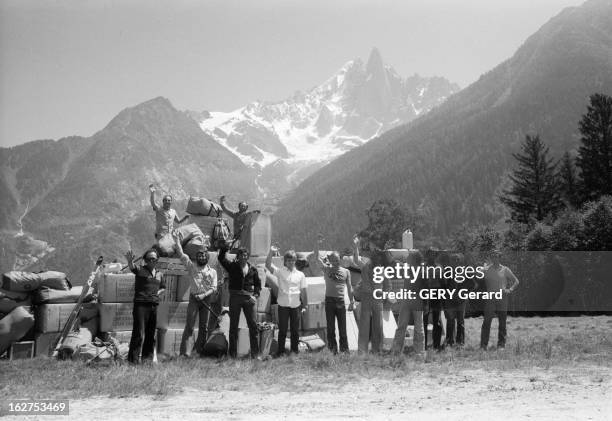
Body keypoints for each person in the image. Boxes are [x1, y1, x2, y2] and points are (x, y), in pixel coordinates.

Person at [172, 231, 218, 357]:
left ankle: (199, 351)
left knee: (204, 327)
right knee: (190, 326)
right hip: (194, 299)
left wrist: (204, 295)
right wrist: (176, 240)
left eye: (204, 256)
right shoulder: (191, 267)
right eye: (200, 255)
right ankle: (185, 353)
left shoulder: (212, 271)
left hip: (206, 300)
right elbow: (181, 254)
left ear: (207, 257)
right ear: (196, 257)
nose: (202, 257)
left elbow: (214, 287)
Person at [218, 242, 262, 358]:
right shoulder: (232, 266)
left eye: (246, 255)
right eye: (242, 254)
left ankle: (255, 355)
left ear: (248, 256)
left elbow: (258, 284)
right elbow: (221, 258)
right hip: (235, 297)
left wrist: (255, 295)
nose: (244, 256)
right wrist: (225, 247)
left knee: (253, 326)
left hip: (248, 298)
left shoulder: (253, 269)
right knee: (233, 326)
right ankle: (232, 355)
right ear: (238, 256)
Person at [314, 235, 355, 354]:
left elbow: (349, 287)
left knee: (343, 328)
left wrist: (352, 302)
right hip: (329, 302)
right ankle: (333, 351)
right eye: (333, 260)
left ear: (340, 260)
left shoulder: (346, 272)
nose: (336, 262)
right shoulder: (326, 269)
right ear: (330, 261)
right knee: (331, 328)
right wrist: (317, 244)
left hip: (341, 302)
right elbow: (316, 258)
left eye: (337, 260)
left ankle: (345, 351)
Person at [125, 248, 166, 364]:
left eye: (153, 258)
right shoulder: (141, 270)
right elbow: (133, 267)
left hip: (153, 306)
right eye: (148, 259)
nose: (151, 260)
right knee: (138, 334)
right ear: (145, 260)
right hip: (141, 305)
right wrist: (129, 261)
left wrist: (158, 293)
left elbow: (163, 287)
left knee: (151, 334)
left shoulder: (159, 274)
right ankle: (133, 361)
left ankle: (147, 360)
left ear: (157, 260)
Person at [265, 246, 307, 356]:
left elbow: (303, 291)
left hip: (296, 306)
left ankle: (294, 351)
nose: (291, 262)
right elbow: (268, 265)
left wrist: (305, 306)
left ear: (295, 261)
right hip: (283, 306)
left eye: (293, 260)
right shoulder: (280, 272)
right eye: (288, 260)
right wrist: (271, 252)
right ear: (285, 261)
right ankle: (281, 352)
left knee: (295, 330)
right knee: (282, 330)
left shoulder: (300, 275)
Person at [352, 236, 389, 355]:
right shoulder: (365, 266)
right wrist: (355, 246)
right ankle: (362, 351)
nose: (376, 259)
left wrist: (384, 296)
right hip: (367, 297)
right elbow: (356, 259)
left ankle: (377, 350)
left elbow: (388, 286)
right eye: (375, 257)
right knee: (364, 323)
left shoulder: (383, 270)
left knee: (378, 324)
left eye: (378, 257)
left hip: (378, 298)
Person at [480, 249, 519, 350]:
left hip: (502, 298)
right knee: (487, 321)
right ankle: (483, 345)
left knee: (502, 322)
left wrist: (510, 289)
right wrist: (483, 267)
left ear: (499, 257)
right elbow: (476, 274)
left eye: (496, 256)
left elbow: (516, 281)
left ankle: (501, 345)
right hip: (490, 299)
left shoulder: (505, 269)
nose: (494, 258)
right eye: (492, 256)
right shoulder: (487, 269)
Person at [392, 250, 426, 357]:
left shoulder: (413, 269)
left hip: (411, 299)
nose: (407, 258)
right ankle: (419, 352)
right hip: (414, 300)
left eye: (409, 257)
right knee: (417, 327)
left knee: (404, 326)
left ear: (413, 259)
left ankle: (397, 351)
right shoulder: (417, 269)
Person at [444, 253, 469, 347]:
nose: (455, 261)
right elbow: (443, 286)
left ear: (460, 261)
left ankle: (460, 343)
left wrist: (465, 294)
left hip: (461, 302)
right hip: (450, 301)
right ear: (450, 261)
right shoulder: (447, 272)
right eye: (453, 260)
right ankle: (450, 342)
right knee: (450, 321)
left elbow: (474, 284)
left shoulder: (464, 272)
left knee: (460, 321)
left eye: (457, 260)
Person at [423, 248, 444, 350]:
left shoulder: (439, 267)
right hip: (425, 294)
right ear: (427, 255)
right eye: (430, 254)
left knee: (437, 320)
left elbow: (443, 283)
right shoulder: (422, 267)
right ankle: (424, 344)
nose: (432, 256)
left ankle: (436, 345)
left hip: (436, 294)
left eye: (434, 254)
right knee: (425, 320)